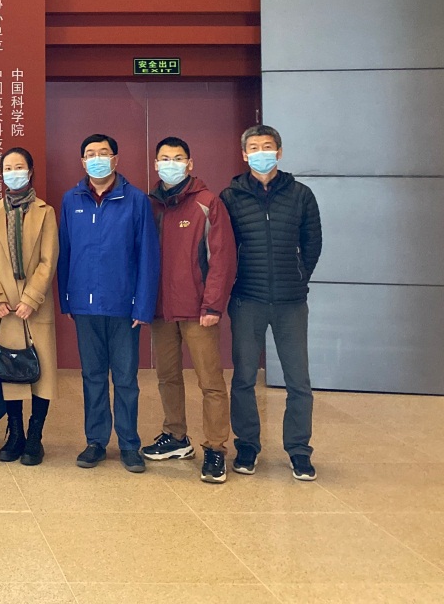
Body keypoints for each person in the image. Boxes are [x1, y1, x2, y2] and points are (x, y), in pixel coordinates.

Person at [221, 125, 323, 481]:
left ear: (279, 152)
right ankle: (247, 446)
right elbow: (221, 248)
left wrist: (298, 276)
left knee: (299, 381)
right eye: (253, 147)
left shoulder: (301, 195)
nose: (260, 152)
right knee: (244, 378)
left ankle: (299, 450)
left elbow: (312, 244)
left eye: (267, 146)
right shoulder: (230, 197)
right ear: (244, 154)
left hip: (290, 302)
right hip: (246, 299)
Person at [57, 133, 160, 473]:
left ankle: (129, 444)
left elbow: (147, 255)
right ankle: (96, 441)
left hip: (123, 306)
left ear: (116, 159)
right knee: (93, 376)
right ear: (82, 161)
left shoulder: (136, 200)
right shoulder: (71, 199)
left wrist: (142, 305)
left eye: (103, 153)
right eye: (90, 153)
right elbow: (65, 251)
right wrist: (66, 298)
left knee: (126, 379)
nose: (97, 158)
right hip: (84, 306)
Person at [143, 137, 236, 484]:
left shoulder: (208, 203)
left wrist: (213, 304)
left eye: (178, 158)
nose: (171, 164)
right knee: (167, 377)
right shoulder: (150, 205)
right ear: (156, 164)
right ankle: (176, 437)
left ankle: (215, 448)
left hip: (199, 311)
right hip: (160, 310)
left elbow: (222, 259)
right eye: (165, 159)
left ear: (190, 163)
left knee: (210, 381)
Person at [0, 147, 59, 466]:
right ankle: (15, 434)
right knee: (9, 369)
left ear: (30, 172)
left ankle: (35, 436)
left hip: (35, 306)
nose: (13, 173)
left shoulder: (45, 211)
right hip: (4, 310)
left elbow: (48, 260)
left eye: (19, 167)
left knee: (42, 373)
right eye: (7, 168)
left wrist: (31, 298)